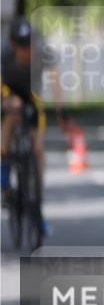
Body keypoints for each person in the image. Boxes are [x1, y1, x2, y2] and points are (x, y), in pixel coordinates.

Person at [1, 18, 51, 236]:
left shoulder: (39, 59)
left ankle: (36, 198)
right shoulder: (4, 58)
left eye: (29, 45)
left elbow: (51, 84)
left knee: (38, 150)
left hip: (30, 100)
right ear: (13, 45)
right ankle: (4, 175)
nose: (25, 51)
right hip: (7, 98)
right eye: (21, 46)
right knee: (10, 119)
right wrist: (7, 100)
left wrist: (60, 110)